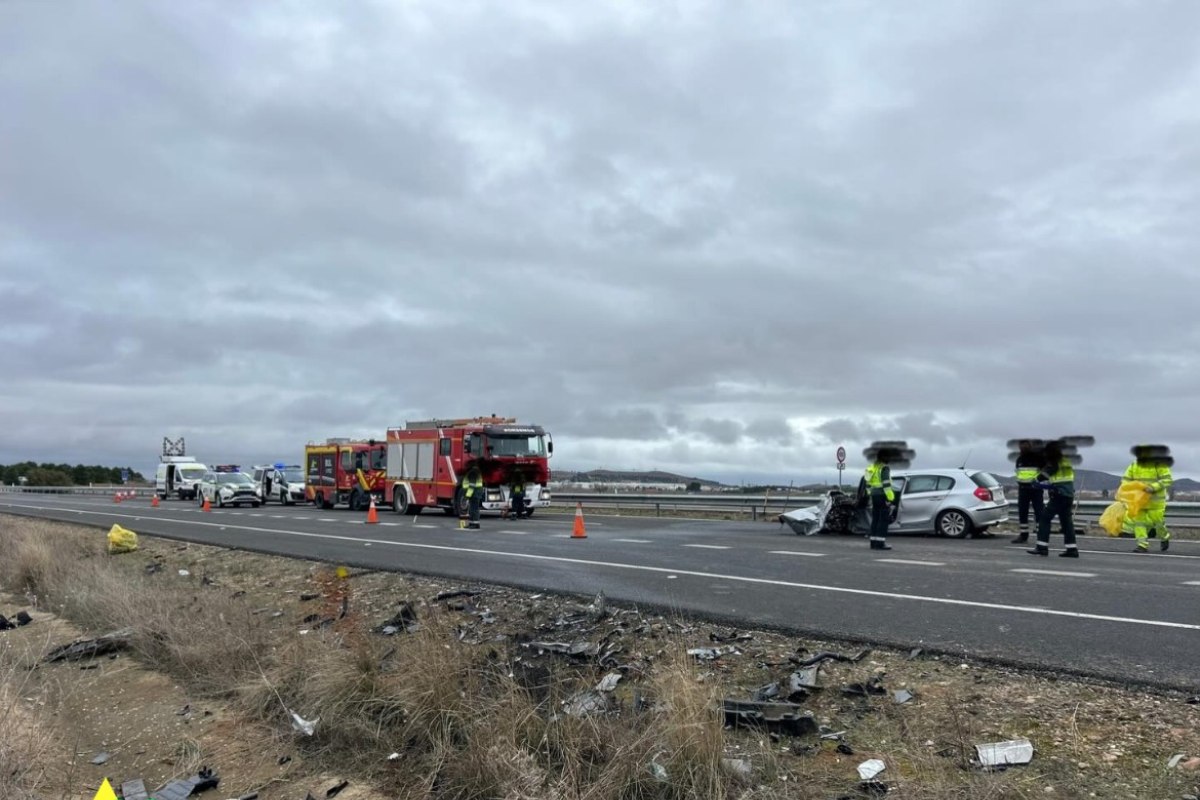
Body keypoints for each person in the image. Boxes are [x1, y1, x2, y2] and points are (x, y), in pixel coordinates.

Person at [1027, 440, 1078, 558]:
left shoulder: (1055, 459)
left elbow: (1048, 472)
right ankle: (1072, 549)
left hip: (1059, 495)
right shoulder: (1066, 460)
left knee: (1044, 518)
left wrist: (1036, 480)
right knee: (1066, 523)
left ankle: (1042, 547)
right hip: (1068, 495)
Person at [1121, 445, 1173, 553]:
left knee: (1158, 522)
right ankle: (1142, 545)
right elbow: (1126, 479)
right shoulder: (1134, 465)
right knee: (1139, 523)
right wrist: (1128, 489)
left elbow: (1167, 479)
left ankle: (1164, 537)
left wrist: (1153, 487)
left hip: (1155, 501)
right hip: (1139, 500)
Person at [1011, 440, 1045, 544]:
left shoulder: (1038, 458)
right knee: (1022, 513)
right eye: (1021, 446)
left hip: (1036, 490)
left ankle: (1041, 535)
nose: (1023, 448)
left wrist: (1038, 480)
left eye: (1025, 446)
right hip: (1023, 490)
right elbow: (1018, 472)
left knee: (1039, 513)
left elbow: (1046, 471)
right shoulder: (1020, 459)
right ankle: (1023, 535)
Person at [863, 449, 895, 551]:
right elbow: (886, 485)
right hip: (882, 495)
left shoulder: (872, 468)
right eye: (888, 457)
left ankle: (873, 543)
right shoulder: (884, 468)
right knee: (883, 520)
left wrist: (870, 494)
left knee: (876, 519)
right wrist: (890, 498)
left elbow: (867, 484)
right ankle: (880, 543)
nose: (889, 459)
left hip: (874, 496)